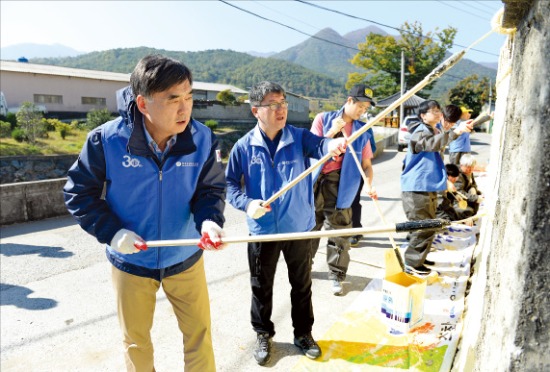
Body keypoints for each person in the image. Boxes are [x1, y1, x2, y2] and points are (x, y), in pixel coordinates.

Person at [63, 55, 227, 371]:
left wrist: (209, 221)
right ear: (143, 103)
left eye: (189, 97)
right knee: (136, 343)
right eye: (173, 99)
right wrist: (113, 233)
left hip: (185, 256)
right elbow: (78, 193)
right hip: (131, 262)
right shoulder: (106, 140)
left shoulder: (202, 138)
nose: (185, 108)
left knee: (199, 336)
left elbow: (210, 191)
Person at [225, 81, 346, 366]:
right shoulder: (244, 147)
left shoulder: (299, 137)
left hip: (299, 228)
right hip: (262, 231)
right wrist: (247, 204)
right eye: (273, 105)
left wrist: (334, 144)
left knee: (302, 285)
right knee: (260, 286)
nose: (281, 110)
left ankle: (303, 334)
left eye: (283, 103)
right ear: (256, 110)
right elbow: (230, 186)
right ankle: (263, 333)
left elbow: (321, 145)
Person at [310, 84, 378, 296]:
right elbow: (312, 147)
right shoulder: (323, 118)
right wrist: (332, 132)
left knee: (340, 232)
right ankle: (303, 268)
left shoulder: (363, 130)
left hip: (342, 183)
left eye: (366, 108)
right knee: (308, 229)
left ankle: (337, 275)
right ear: (349, 101)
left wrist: (368, 184)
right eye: (360, 105)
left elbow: (366, 165)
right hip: (314, 181)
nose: (362, 111)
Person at [401, 100, 473, 275]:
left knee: (429, 225)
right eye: (433, 111)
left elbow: (438, 142)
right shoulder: (419, 132)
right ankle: (412, 263)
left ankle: (419, 258)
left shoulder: (435, 131)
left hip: (428, 186)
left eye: (438, 110)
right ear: (423, 116)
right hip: (417, 187)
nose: (437, 113)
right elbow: (432, 143)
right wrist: (456, 131)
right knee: (422, 227)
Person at [349, 122, 377, 246]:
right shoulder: (333, 124)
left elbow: (373, 148)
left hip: (357, 171)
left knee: (353, 202)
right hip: (335, 173)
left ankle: (356, 231)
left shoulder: (364, 127)